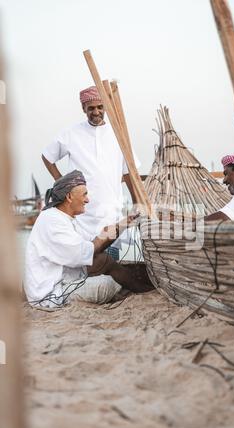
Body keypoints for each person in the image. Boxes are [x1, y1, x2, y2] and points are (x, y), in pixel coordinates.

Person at [24, 170, 152, 308]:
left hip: (64, 280)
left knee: (104, 260)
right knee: (107, 283)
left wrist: (123, 224)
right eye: (84, 194)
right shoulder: (52, 221)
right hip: (52, 294)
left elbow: (94, 241)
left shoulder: (63, 218)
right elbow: (92, 247)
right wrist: (121, 226)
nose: (87, 200)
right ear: (69, 197)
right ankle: (143, 290)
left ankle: (141, 287)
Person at [41, 85, 139, 258]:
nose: (96, 112)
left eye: (100, 107)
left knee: (109, 262)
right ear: (83, 108)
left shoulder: (118, 134)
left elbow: (128, 172)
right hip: (80, 217)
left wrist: (136, 202)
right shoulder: (71, 133)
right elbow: (47, 156)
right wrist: (61, 183)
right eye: (91, 108)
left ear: (106, 108)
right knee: (80, 267)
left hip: (110, 213)